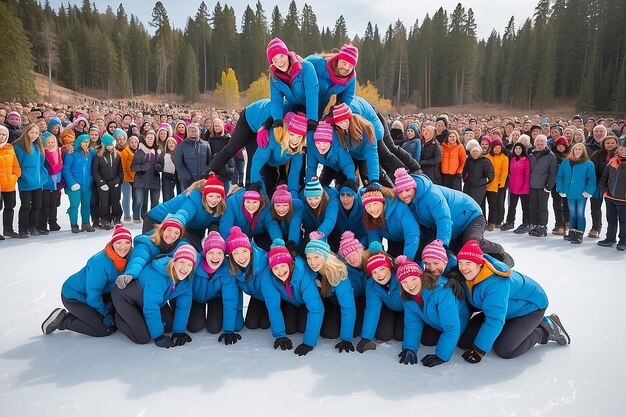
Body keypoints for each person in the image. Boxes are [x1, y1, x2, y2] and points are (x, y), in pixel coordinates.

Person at [456, 240, 570, 362]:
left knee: (504, 350)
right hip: (505, 309)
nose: (463, 268)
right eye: (460, 263)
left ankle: (546, 327)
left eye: (468, 263)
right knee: (465, 342)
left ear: (479, 264)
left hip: (529, 308)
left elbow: (495, 319)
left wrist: (478, 350)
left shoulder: (495, 283)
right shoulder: (468, 276)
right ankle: (509, 331)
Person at [394, 167, 514, 266]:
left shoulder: (431, 194)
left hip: (470, 216)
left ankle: (497, 250)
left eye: (407, 190)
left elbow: (443, 220)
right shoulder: (409, 204)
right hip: (454, 227)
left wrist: (442, 244)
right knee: (457, 252)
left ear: (413, 187)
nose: (404, 194)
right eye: (400, 192)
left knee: (470, 244)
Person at [41, 225, 133, 337]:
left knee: (113, 325)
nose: (123, 247)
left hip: (100, 294)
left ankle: (88, 317)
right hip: (75, 296)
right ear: (112, 243)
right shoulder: (100, 263)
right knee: (104, 330)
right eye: (119, 242)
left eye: (127, 243)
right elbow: (93, 293)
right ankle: (64, 320)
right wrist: (104, 314)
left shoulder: (129, 257)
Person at [111, 244, 198, 347]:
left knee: (167, 326)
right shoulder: (158, 276)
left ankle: (137, 316)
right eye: (181, 262)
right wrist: (158, 336)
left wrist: (179, 331)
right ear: (174, 261)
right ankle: (120, 318)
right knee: (142, 337)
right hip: (126, 299)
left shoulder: (187, 279)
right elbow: (151, 307)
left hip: (150, 300)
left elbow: (183, 306)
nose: (185, 268)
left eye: (189, 264)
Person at [396, 254, 469, 366]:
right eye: (404, 282)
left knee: (463, 342)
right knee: (427, 340)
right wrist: (409, 347)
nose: (410, 285)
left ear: (421, 277)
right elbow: (412, 322)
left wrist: (441, 356)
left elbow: (452, 327)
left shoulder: (442, 291)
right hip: (436, 322)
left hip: (457, 322)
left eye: (413, 279)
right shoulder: (407, 296)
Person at [267, 238, 325, 356]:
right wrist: (280, 335)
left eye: (283, 266)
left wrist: (309, 342)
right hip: (291, 302)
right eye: (275, 268)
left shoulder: (303, 276)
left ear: (289, 263)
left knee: (304, 327)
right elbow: (272, 305)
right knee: (289, 329)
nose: (280, 271)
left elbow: (316, 309)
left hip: (306, 303)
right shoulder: (272, 278)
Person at [304, 232, 356, 351]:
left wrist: (346, 339)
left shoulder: (338, 273)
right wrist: (308, 342)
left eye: (316, 257)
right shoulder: (310, 272)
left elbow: (348, 307)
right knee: (326, 332)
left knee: (337, 332)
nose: (312, 262)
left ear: (325, 256)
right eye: (309, 258)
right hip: (326, 302)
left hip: (345, 302)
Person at [145, 174, 226, 249]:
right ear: (204, 195)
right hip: (158, 220)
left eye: (218, 196)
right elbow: (184, 213)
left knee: (195, 250)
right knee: (155, 249)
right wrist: (176, 221)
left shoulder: (220, 206)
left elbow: (215, 222)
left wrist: (214, 234)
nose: (214, 200)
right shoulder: (195, 199)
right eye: (211, 196)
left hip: (190, 227)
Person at [189, 231, 243, 342]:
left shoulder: (227, 269)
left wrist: (229, 330)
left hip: (215, 298)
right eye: (210, 253)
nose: (215, 257)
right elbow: (184, 290)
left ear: (224, 255)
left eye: (219, 253)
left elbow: (230, 299)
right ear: (205, 253)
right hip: (195, 298)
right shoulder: (194, 264)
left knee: (214, 328)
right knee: (194, 327)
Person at [116, 215, 189, 290]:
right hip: (139, 283)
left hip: (156, 286)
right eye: (169, 230)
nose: (172, 235)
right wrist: (130, 273)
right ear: (162, 230)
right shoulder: (147, 243)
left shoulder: (177, 246)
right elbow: (139, 259)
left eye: (176, 233)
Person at [356, 242, 404, 352]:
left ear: (390, 266)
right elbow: (372, 310)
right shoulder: (371, 285)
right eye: (374, 272)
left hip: (408, 310)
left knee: (400, 335)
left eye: (382, 269)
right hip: (390, 307)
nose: (380, 275)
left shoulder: (401, 277)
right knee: (383, 335)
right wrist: (365, 338)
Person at [250, 112, 307, 196]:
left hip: (280, 159)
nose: (295, 140)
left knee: (287, 184)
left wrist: (293, 196)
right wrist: (255, 186)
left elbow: (294, 174)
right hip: (265, 159)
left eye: (299, 136)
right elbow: (257, 163)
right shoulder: (272, 139)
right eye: (292, 134)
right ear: (286, 133)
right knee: (267, 183)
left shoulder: (299, 147)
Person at [267, 37, 319, 123]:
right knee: (287, 122)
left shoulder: (306, 67)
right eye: (274, 60)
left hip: (313, 104)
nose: (279, 62)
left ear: (287, 54)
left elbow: (312, 94)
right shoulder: (274, 76)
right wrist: (277, 120)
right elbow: (276, 99)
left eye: (281, 56)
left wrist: (312, 120)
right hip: (293, 104)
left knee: (310, 126)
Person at [362, 184, 420, 259]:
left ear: (383, 202)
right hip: (395, 241)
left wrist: (407, 260)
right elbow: (374, 237)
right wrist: (379, 256)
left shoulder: (400, 207)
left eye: (375, 203)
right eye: (368, 205)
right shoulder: (369, 215)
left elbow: (412, 233)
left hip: (415, 241)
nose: (372, 209)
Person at [556, 143, 596, 244]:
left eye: (580, 150)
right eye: (576, 149)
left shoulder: (588, 163)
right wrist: (560, 189)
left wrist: (588, 191)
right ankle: (572, 232)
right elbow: (560, 176)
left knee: (580, 214)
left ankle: (579, 233)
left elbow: (591, 179)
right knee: (572, 214)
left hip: (582, 194)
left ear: (583, 152)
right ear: (572, 150)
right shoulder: (566, 162)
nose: (577, 151)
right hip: (569, 192)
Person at [305, 43, 358, 118]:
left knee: (312, 125)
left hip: (320, 104)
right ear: (338, 59)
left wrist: (334, 116)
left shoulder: (350, 79)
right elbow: (299, 69)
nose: (346, 68)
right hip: (303, 96)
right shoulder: (317, 63)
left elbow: (347, 98)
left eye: (351, 66)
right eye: (344, 63)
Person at [13, 124, 46, 237]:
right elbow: (18, 165)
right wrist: (24, 177)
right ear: (26, 132)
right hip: (25, 182)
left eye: (36, 133)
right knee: (26, 205)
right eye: (31, 132)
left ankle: (32, 226)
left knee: (37, 205)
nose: (34, 135)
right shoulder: (19, 147)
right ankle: (22, 229)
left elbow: (40, 164)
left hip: (37, 181)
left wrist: (42, 177)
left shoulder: (37, 147)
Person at [597, 135, 626, 251]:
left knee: (624, 222)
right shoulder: (613, 161)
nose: (622, 150)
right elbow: (604, 177)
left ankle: (623, 240)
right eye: (621, 148)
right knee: (611, 219)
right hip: (610, 197)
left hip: (623, 200)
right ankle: (610, 238)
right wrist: (604, 190)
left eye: (624, 148)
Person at [307, 121, 356, 186]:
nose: (322, 147)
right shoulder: (313, 148)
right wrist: (309, 183)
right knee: (322, 185)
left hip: (341, 168)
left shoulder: (338, 147)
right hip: (329, 166)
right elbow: (311, 167)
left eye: (325, 143)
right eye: (318, 143)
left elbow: (347, 163)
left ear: (330, 143)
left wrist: (351, 178)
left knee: (343, 185)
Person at [92, 132, 123, 229]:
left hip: (114, 182)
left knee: (115, 201)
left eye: (112, 145)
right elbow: (95, 171)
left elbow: (120, 170)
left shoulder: (117, 155)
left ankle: (116, 217)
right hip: (103, 183)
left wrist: (118, 181)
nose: (110, 147)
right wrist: (101, 183)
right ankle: (105, 218)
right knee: (104, 202)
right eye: (108, 145)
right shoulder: (98, 156)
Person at [528, 135, 558, 237]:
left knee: (542, 207)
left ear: (545, 144)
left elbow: (553, 173)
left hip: (543, 186)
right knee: (533, 207)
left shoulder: (550, 156)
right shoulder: (531, 154)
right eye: (538, 143)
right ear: (535, 143)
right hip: (532, 185)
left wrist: (549, 185)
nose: (540, 145)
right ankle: (535, 225)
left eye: (542, 144)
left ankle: (542, 226)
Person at [299, 179, 339, 249]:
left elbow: (330, 219)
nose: (313, 202)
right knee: (306, 248)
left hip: (330, 228)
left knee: (334, 247)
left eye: (316, 198)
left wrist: (319, 235)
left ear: (321, 195)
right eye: (309, 199)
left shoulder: (331, 199)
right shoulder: (301, 202)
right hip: (310, 228)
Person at [131, 130, 161, 222]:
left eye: (151, 138)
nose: (150, 140)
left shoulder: (158, 152)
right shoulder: (139, 152)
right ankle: (136, 216)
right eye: (148, 138)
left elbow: (162, 165)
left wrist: (159, 167)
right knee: (139, 200)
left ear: (154, 139)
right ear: (145, 139)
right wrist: (142, 167)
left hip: (154, 179)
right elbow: (133, 167)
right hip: (141, 179)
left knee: (155, 201)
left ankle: (153, 217)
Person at [502, 142, 531, 233]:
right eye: (516, 148)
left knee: (525, 207)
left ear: (522, 150)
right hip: (513, 187)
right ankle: (510, 222)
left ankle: (525, 223)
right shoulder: (512, 159)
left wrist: (526, 187)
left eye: (519, 148)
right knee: (512, 206)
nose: (518, 150)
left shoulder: (526, 160)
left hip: (523, 188)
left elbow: (527, 174)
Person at [173, 123, 211, 190]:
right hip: (188, 181)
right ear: (187, 133)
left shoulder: (205, 144)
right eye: (191, 131)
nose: (193, 133)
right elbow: (178, 163)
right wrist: (186, 175)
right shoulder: (181, 146)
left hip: (202, 180)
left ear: (198, 132)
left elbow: (209, 161)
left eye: (195, 131)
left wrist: (206, 174)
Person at [0, 124, 21, 239]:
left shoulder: (9, 148)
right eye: (0, 134)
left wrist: (15, 176)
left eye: (3, 134)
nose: (1, 136)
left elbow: (15, 165)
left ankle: (8, 229)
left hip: (9, 183)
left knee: (10, 206)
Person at [485, 138, 509, 231]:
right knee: (492, 204)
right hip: (490, 184)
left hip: (500, 184)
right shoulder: (487, 157)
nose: (497, 149)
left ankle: (499, 221)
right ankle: (491, 222)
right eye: (495, 148)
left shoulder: (504, 157)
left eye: (499, 148)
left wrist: (502, 183)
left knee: (500, 203)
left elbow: (504, 172)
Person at [550, 136, 570, 236]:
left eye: (563, 146)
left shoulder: (570, 157)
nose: (561, 147)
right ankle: (559, 224)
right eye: (559, 146)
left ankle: (567, 223)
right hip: (555, 184)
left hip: (566, 184)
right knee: (556, 204)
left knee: (566, 205)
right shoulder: (553, 156)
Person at [115, 129, 136, 222]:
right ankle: (125, 213)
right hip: (119, 176)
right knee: (123, 196)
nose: (121, 141)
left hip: (131, 175)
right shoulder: (114, 150)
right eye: (118, 139)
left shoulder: (130, 148)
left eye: (122, 138)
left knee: (131, 195)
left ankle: (131, 214)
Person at [156, 137, 178, 202]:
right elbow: (159, 163)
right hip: (167, 177)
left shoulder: (179, 154)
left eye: (173, 143)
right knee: (167, 197)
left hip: (177, 176)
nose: (171, 145)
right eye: (169, 143)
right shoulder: (163, 154)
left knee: (176, 196)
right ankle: (167, 211)